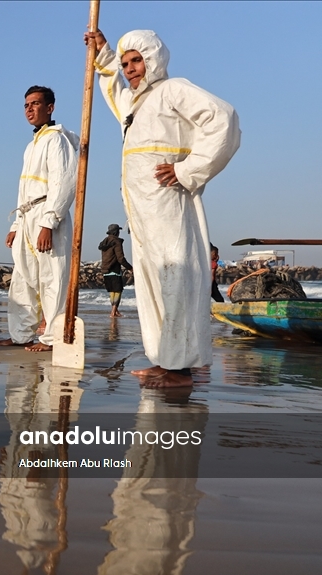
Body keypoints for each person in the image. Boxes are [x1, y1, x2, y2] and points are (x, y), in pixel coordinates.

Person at [85, 28, 240, 388]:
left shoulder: (173, 90)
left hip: (169, 202)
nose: (130, 69)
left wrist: (188, 170)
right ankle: (166, 359)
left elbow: (225, 120)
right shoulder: (136, 105)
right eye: (126, 64)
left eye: (136, 60)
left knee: (176, 278)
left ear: (153, 58)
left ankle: (181, 369)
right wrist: (104, 54)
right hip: (141, 211)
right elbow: (112, 91)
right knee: (153, 282)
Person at [0, 86, 79, 351]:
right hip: (27, 215)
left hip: (47, 215)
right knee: (23, 278)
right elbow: (24, 189)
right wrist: (17, 224)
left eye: (35, 104)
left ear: (50, 107)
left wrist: (49, 223)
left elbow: (64, 183)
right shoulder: (32, 145)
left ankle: (52, 338)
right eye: (26, 105)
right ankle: (21, 334)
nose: (29, 109)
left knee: (52, 277)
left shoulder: (57, 140)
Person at [98, 223, 133, 317]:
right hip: (114, 269)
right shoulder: (116, 242)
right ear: (116, 232)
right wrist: (130, 268)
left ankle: (115, 310)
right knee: (118, 290)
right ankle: (113, 312)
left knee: (112, 291)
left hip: (105, 270)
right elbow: (120, 258)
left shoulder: (104, 242)